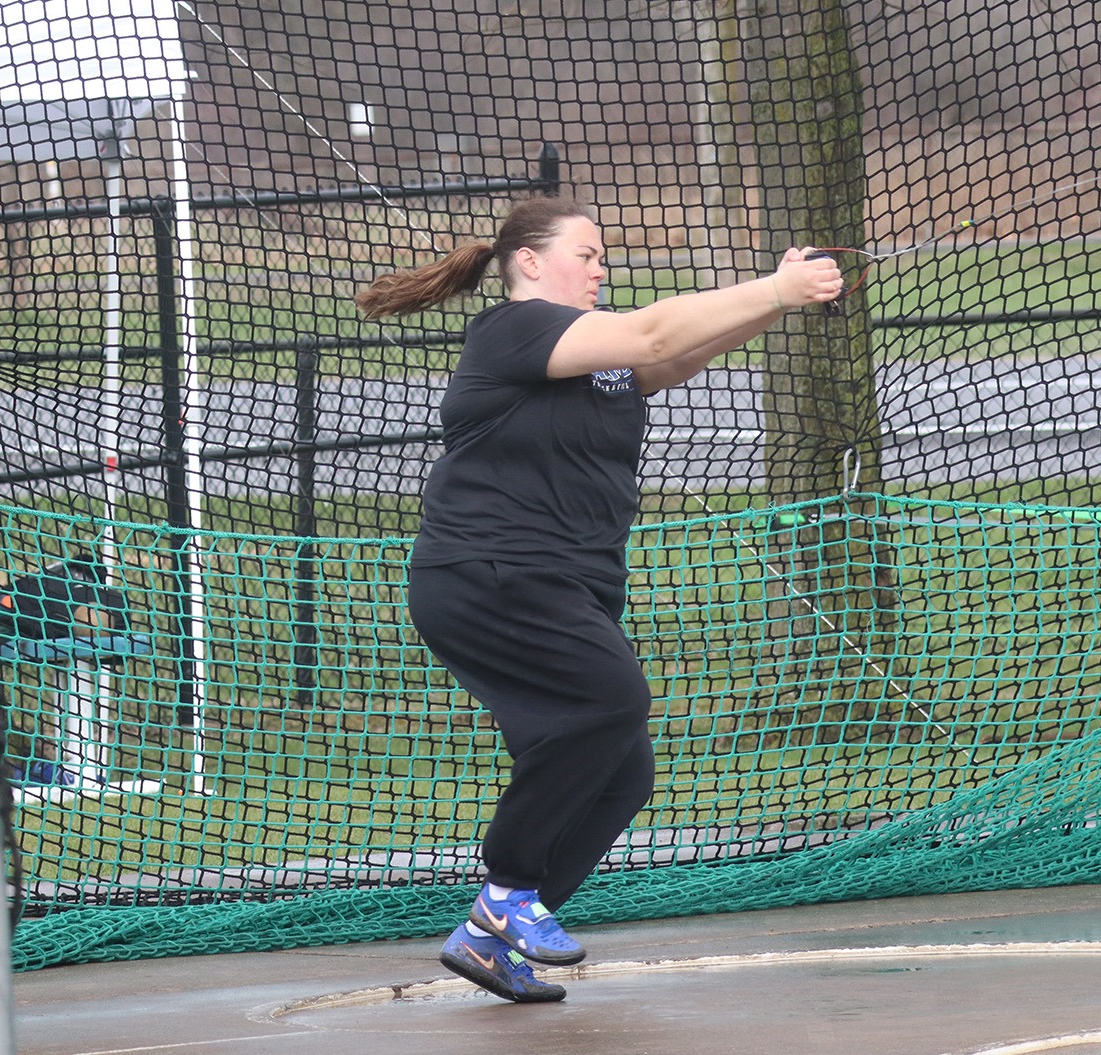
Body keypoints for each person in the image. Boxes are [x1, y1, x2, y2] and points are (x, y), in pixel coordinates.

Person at [354, 197, 843, 1003]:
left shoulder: (595, 356)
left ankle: (487, 937)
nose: (600, 267)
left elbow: (668, 359)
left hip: (558, 584)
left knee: (623, 772)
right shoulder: (515, 330)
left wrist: (776, 293)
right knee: (612, 702)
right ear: (531, 263)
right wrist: (775, 289)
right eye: (586, 253)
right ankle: (507, 894)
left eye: (602, 255)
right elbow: (652, 332)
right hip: (489, 573)